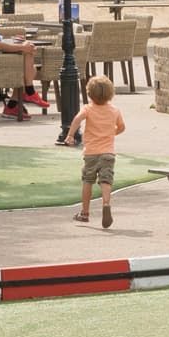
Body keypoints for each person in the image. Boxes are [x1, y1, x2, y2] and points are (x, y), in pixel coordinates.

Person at [66, 74, 125, 228]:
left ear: (89, 94)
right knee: (106, 180)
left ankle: (85, 213)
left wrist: (71, 134)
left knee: (88, 181)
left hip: (91, 153)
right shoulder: (115, 110)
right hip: (108, 153)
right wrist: (112, 134)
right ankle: (106, 204)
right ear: (111, 93)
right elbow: (122, 127)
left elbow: (77, 119)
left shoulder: (88, 108)